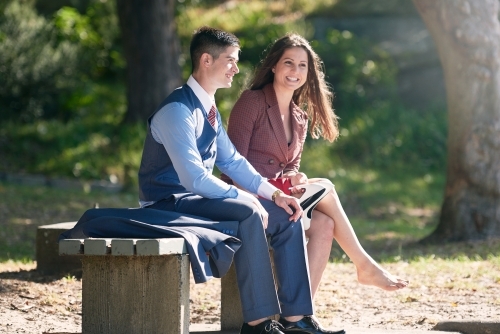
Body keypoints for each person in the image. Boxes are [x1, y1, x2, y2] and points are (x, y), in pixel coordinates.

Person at [137, 27, 345, 334]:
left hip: (195, 200)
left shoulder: (209, 110)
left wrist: (275, 195)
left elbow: (233, 161)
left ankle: (297, 319)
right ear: (206, 60)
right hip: (166, 204)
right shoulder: (177, 111)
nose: (236, 68)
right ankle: (258, 324)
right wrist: (245, 198)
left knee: (289, 214)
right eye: (230, 61)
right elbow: (193, 178)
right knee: (248, 213)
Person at [223, 33, 409, 306]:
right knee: (327, 189)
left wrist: (295, 178)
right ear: (274, 66)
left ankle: (299, 313)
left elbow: (290, 168)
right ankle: (364, 264)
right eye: (288, 63)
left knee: (325, 224)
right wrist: (274, 187)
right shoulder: (252, 102)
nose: (295, 71)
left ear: (309, 73)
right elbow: (232, 166)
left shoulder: (300, 118)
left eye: (302, 65)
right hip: (249, 197)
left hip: (283, 198)